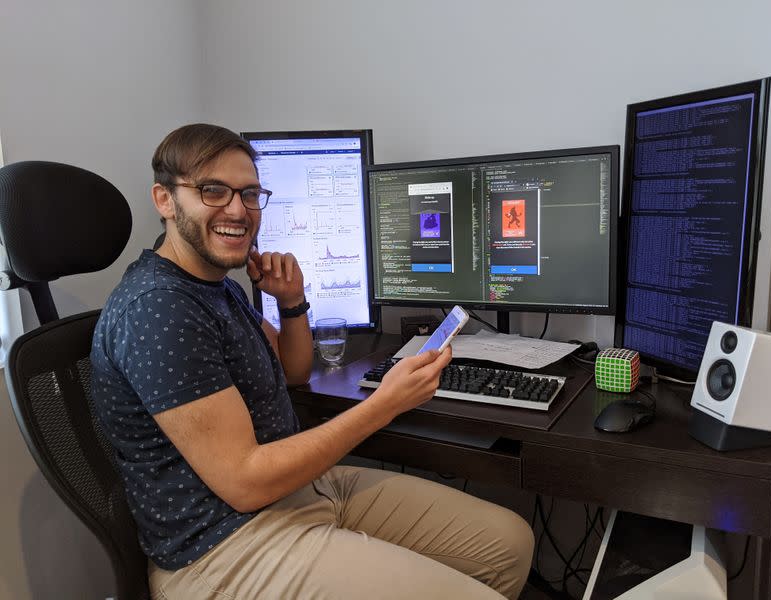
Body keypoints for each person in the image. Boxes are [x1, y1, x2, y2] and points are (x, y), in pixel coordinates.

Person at [91, 123, 534, 599]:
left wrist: (292, 302)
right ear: (164, 199)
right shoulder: (159, 307)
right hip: (225, 547)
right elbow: (244, 482)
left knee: (510, 543)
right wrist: (384, 404)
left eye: (250, 193)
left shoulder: (215, 285)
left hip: (297, 493)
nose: (238, 210)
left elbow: (293, 371)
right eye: (213, 191)